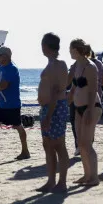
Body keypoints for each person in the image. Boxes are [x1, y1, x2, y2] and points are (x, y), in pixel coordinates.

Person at [36, 33, 69, 193]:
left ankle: (62, 183)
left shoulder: (59, 65)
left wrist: (48, 115)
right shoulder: (53, 64)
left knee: (59, 145)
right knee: (48, 145)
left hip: (55, 108)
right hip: (48, 108)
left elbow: (57, 91)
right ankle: (51, 181)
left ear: (46, 46)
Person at [70, 39, 102, 186]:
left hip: (92, 107)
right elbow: (74, 88)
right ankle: (86, 175)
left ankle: (94, 177)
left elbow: (93, 90)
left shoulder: (90, 66)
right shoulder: (77, 66)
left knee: (87, 144)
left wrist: (88, 110)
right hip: (78, 108)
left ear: (77, 50)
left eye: (71, 49)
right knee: (81, 144)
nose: (70, 52)